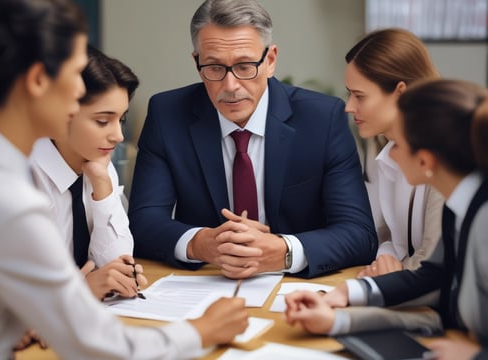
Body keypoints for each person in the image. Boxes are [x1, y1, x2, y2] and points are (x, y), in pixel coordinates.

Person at [0, 0, 248, 359]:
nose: (82, 90)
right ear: (37, 80)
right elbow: (94, 343)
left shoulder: (6, 171)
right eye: (77, 73)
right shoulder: (6, 197)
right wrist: (202, 330)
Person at [128, 0, 377, 280]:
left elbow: (359, 233)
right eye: (214, 67)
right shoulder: (168, 114)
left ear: (270, 60)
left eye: (245, 66)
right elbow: (142, 222)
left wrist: (285, 250)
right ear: (197, 62)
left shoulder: (321, 118)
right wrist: (200, 244)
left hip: (297, 288)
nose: (231, 86)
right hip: (207, 282)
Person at [284, 79, 488, 360]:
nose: (389, 153)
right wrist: (340, 311)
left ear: (425, 162)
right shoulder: (460, 207)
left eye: (397, 144)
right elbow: (432, 284)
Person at [30, 44, 143, 301]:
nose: (118, 136)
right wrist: (81, 291)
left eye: (121, 119)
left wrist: (102, 185)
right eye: (103, 121)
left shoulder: (99, 163)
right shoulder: (16, 177)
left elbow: (117, 261)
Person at [344, 28, 444, 277]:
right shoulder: (386, 151)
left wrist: (390, 277)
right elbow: (390, 237)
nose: (348, 106)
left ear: (400, 92)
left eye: (359, 96)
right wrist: (386, 261)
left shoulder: (446, 155)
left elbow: (432, 264)